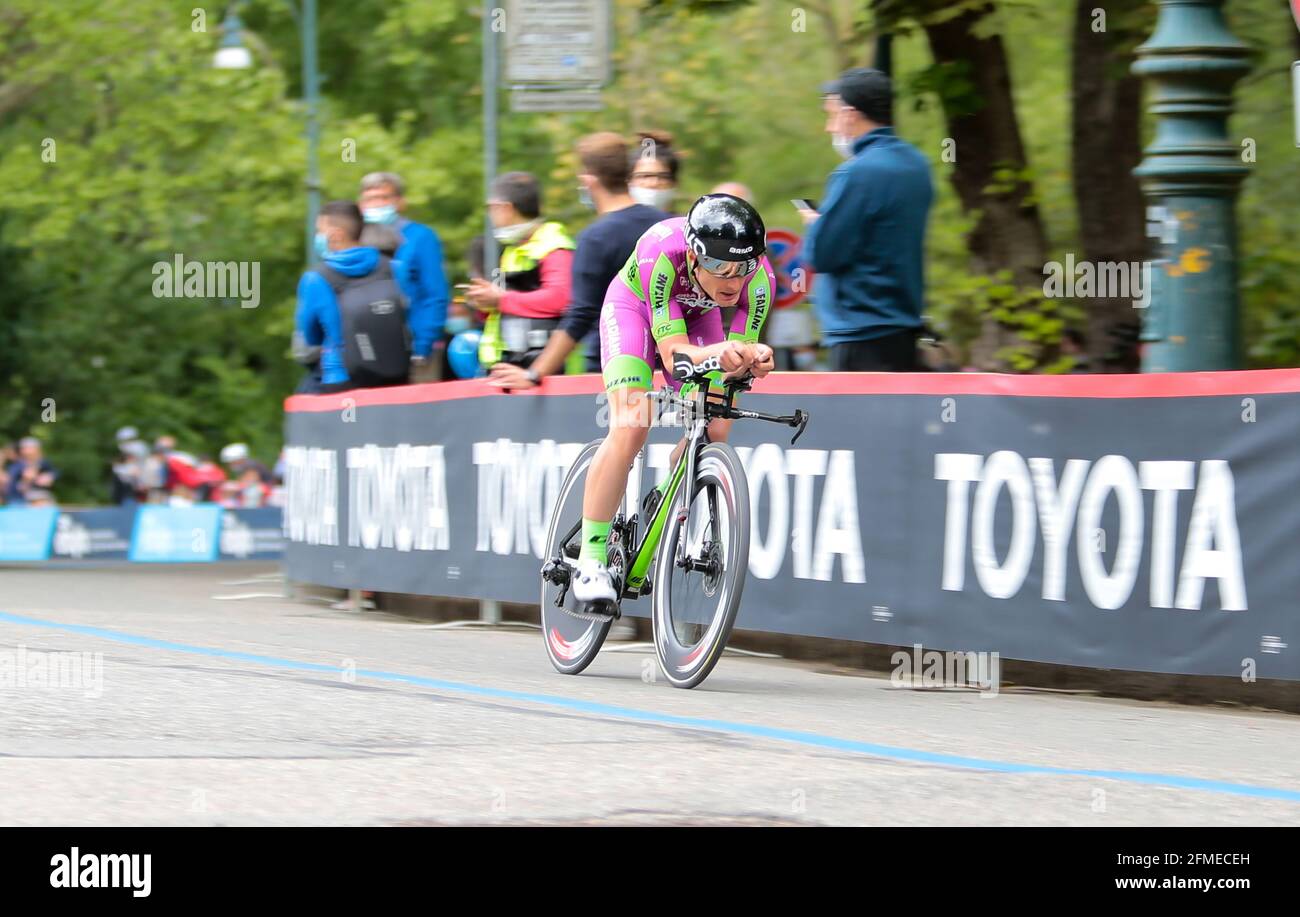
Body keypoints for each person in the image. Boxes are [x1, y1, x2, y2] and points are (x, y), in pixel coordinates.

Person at [569, 194, 776, 607]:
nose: (733, 280)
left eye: (743, 267)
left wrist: (754, 358)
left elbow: (736, 358)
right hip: (637, 310)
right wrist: (723, 355)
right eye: (719, 266)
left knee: (715, 425)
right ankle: (590, 560)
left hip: (700, 318)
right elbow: (674, 357)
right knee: (632, 421)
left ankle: (665, 492)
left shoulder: (760, 280)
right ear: (696, 258)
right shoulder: (660, 252)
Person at [489, 132, 669, 390]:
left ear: (588, 179)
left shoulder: (595, 239)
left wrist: (533, 374)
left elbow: (580, 315)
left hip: (612, 368)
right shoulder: (663, 224)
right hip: (667, 364)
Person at [801, 67, 933, 372]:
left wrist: (816, 226)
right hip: (903, 330)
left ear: (850, 115)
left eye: (831, 115)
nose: (828, 127)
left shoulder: (857, 172)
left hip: (860, 337)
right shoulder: (916, 165)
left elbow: (822, 255)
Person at [295, 201, 410, 393]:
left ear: (336, 234)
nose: (317, 237)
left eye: (319, 231)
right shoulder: (395, 268)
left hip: (341, 380)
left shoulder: (316, 279)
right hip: (397, 375)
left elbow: (310, 337)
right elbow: (408, 315)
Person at [467, 172, 575, 369]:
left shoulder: (553, 246)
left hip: (540, 368)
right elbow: (510, 305)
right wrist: (485, 303)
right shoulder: (513, 248)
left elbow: (560, 298)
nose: (490, 215)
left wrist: (500, 300)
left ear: (505, 208)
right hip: (507, 362)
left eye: (490, 208)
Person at [358, 172, 450, 383]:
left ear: (400, 202)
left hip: (415, 349)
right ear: (360, 205)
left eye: (384, 198)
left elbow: (435, 294)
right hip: (369, 348)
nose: (376, 204)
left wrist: (424, 345)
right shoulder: (358, 239)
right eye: (370, 199)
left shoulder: (421, 237)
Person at [5, 437, 57, 506]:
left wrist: (50, 476)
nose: (29, 451)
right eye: (27, 448)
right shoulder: (17, 466)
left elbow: (55, 471)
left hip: (41, 496)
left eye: (32, 448)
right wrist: (25, 480)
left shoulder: (43, 462)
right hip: (19, 500)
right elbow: (11, 485)